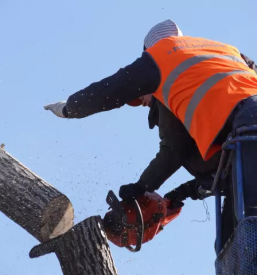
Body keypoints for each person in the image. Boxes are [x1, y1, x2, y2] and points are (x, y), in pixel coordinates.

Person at [44, 19, 257, 243]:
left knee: (245, 232)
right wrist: (181, 194)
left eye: (140, 96)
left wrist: (70, 108)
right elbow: (218, 172)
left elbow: (111, 91)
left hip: (247, 127)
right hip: (243, 138)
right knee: (231, 239)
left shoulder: (160, 60)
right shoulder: (223, 52)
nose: (144, 102)